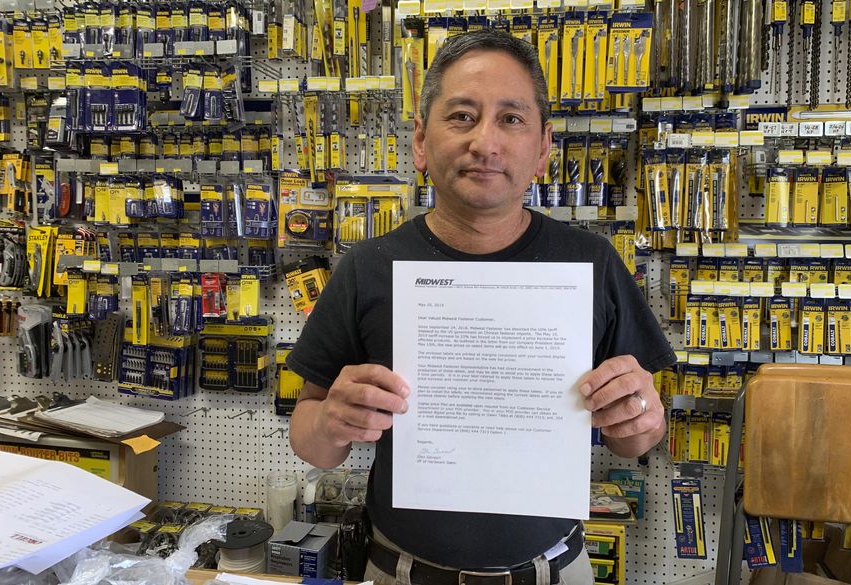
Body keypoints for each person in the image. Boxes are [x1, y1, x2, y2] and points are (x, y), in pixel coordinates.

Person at [288, 29, 676, 585]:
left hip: (554, 572)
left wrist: (641, 417)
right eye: (463, 116)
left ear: (543, 147)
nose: (485, 143)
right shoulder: (368, 267)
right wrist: (331, 420)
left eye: (511, 119)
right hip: (400, 571)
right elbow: (312, 443)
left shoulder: (590, 262)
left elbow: (632, 439)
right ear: (421, 141)